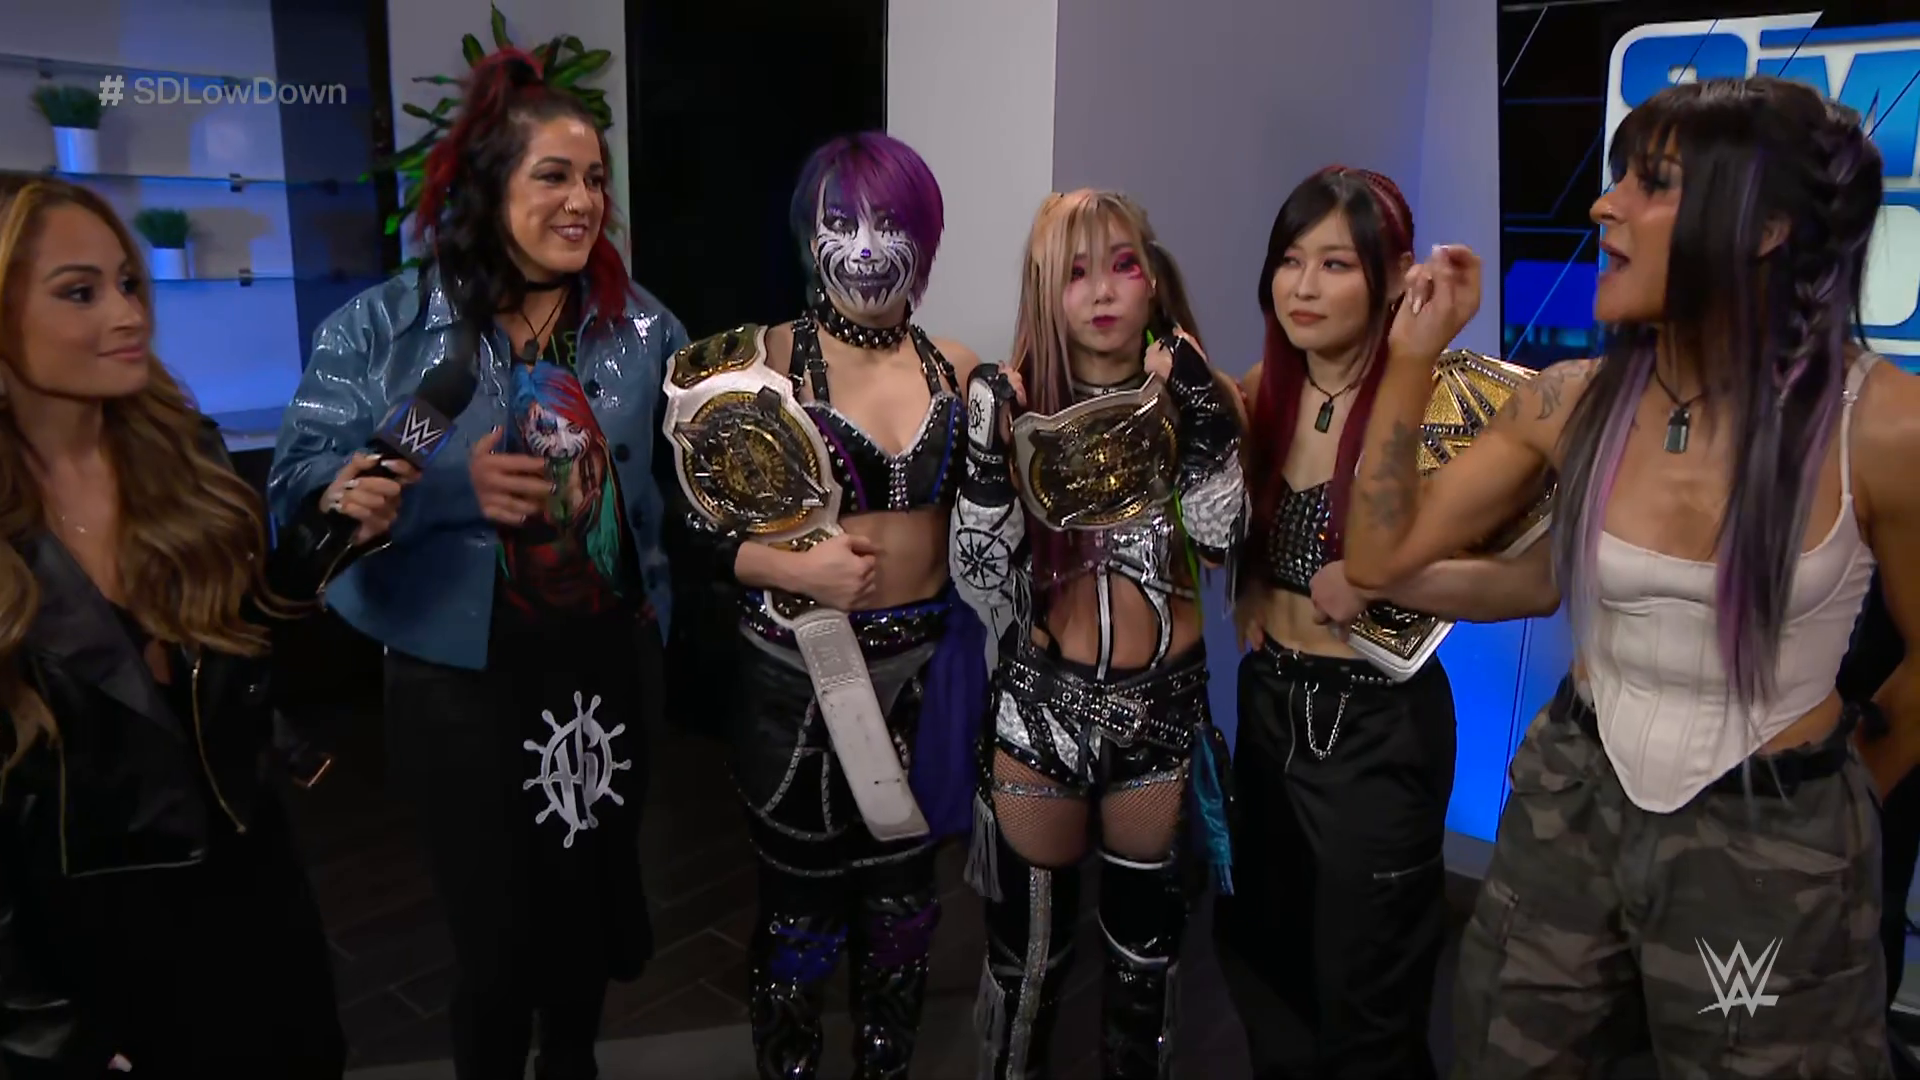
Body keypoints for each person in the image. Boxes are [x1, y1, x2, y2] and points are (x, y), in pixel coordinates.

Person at [1341, 75, 1919, 1077]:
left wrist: (1829, 799)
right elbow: (1380, 559)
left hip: (1775, 831)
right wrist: (1413, 355)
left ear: (1765, 228)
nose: (1603, 205)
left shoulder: (1882, 426)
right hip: (1575, 800)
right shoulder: (1572, 401)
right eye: (1616, 179)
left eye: (1652, 183)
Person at [267, 50, 684, 1080]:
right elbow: (301, 483)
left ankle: (574, 1062)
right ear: (488, 185)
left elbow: (690, 487)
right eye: (555, 175)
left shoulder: (642, 329)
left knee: (587, 916)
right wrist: (448, 491)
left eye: (596, 179)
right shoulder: (389, 330)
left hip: (605, 669)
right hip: (459, 685)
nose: (584, 201)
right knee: (494, 943)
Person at [0, 175, 373, 1077]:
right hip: (91, 946)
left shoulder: (185, 456)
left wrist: (321, 541)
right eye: (80, 292)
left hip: (254, 889)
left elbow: (239, 644)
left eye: (129, 283)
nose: (128, 313)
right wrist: (48, 1034)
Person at [658, 132, 985, 1080]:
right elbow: (684, 534)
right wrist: (789, 569)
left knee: (904, 909)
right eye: (843, 221)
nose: (866, 246)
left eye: (889, 222)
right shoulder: (748, 368)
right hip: (796, 679)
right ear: (810, 233)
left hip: (924, 679)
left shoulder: (961, 370)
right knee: (800, 913)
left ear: (927, 236)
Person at [952, 189, 1246, 1079]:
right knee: (1027, 968)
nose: (1104, 291)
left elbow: (1223, 537)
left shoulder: (1199, 398)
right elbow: (980, 584)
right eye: (1076, 273)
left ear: (1153, 279)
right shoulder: (1013, 408)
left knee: (1143, 969)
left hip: (1160, 714)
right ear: (1046, 291)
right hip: (1040, 714)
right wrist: (987, 457)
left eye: (1122, 265)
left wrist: (1201, 410)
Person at [1213, 165, 1457, 1080]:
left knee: (1368, 990)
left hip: (1378, 722)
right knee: (1265, 964)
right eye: (1289, 260)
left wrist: (1381, 577)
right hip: (1270, 702)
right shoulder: (1262, 393)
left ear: (1395, 278)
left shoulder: (1431, 408)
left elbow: (1509, 569)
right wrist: (1248, 587)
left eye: (1335, 264)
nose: (1303, 287)